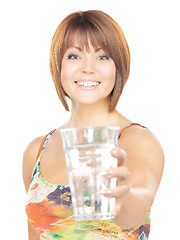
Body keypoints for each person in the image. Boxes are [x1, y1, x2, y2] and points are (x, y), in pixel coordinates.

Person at [23, 10, 164, 240]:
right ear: (58, 66)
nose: (88, 68)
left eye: (102, 56)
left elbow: (135, 211)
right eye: (74, 56)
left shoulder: (136, 140)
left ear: (118, 66)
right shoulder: (36, 151)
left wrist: (122, 196)